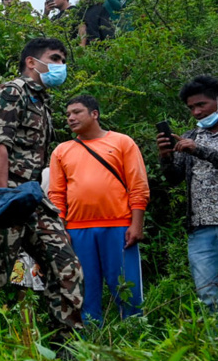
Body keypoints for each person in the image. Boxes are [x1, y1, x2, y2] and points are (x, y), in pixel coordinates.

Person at [0, 37, 84, 341]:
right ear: (31, 63)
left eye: (63, 59)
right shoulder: (12, 92)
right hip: (8, 197)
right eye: (55, 58)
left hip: (32, 198)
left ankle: (69, 348)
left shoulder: (41, 101)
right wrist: (3, 201)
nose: (61, 65)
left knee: (66, 267)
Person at [49, 95, 149, 324]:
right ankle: (90, 338)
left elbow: (138, 186)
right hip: (77, 229)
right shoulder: (62, 151)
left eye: (76, 112)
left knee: (126, 285)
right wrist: (60, 228)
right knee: (85, 289)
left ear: (95, 114)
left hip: (119, 226)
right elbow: (56, 194)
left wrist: (136, 224)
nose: (70, 118)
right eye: (67, 115)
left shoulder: (122, 142)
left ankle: (134, 333)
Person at [157, 75, 218, 326]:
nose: (197, 112)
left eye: (201, 105)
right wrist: (166, 156)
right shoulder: (191, 135)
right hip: (201, 228)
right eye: (191, 108)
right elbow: (174, 178)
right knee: (208, 296)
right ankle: (217, 352)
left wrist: (199, 150)